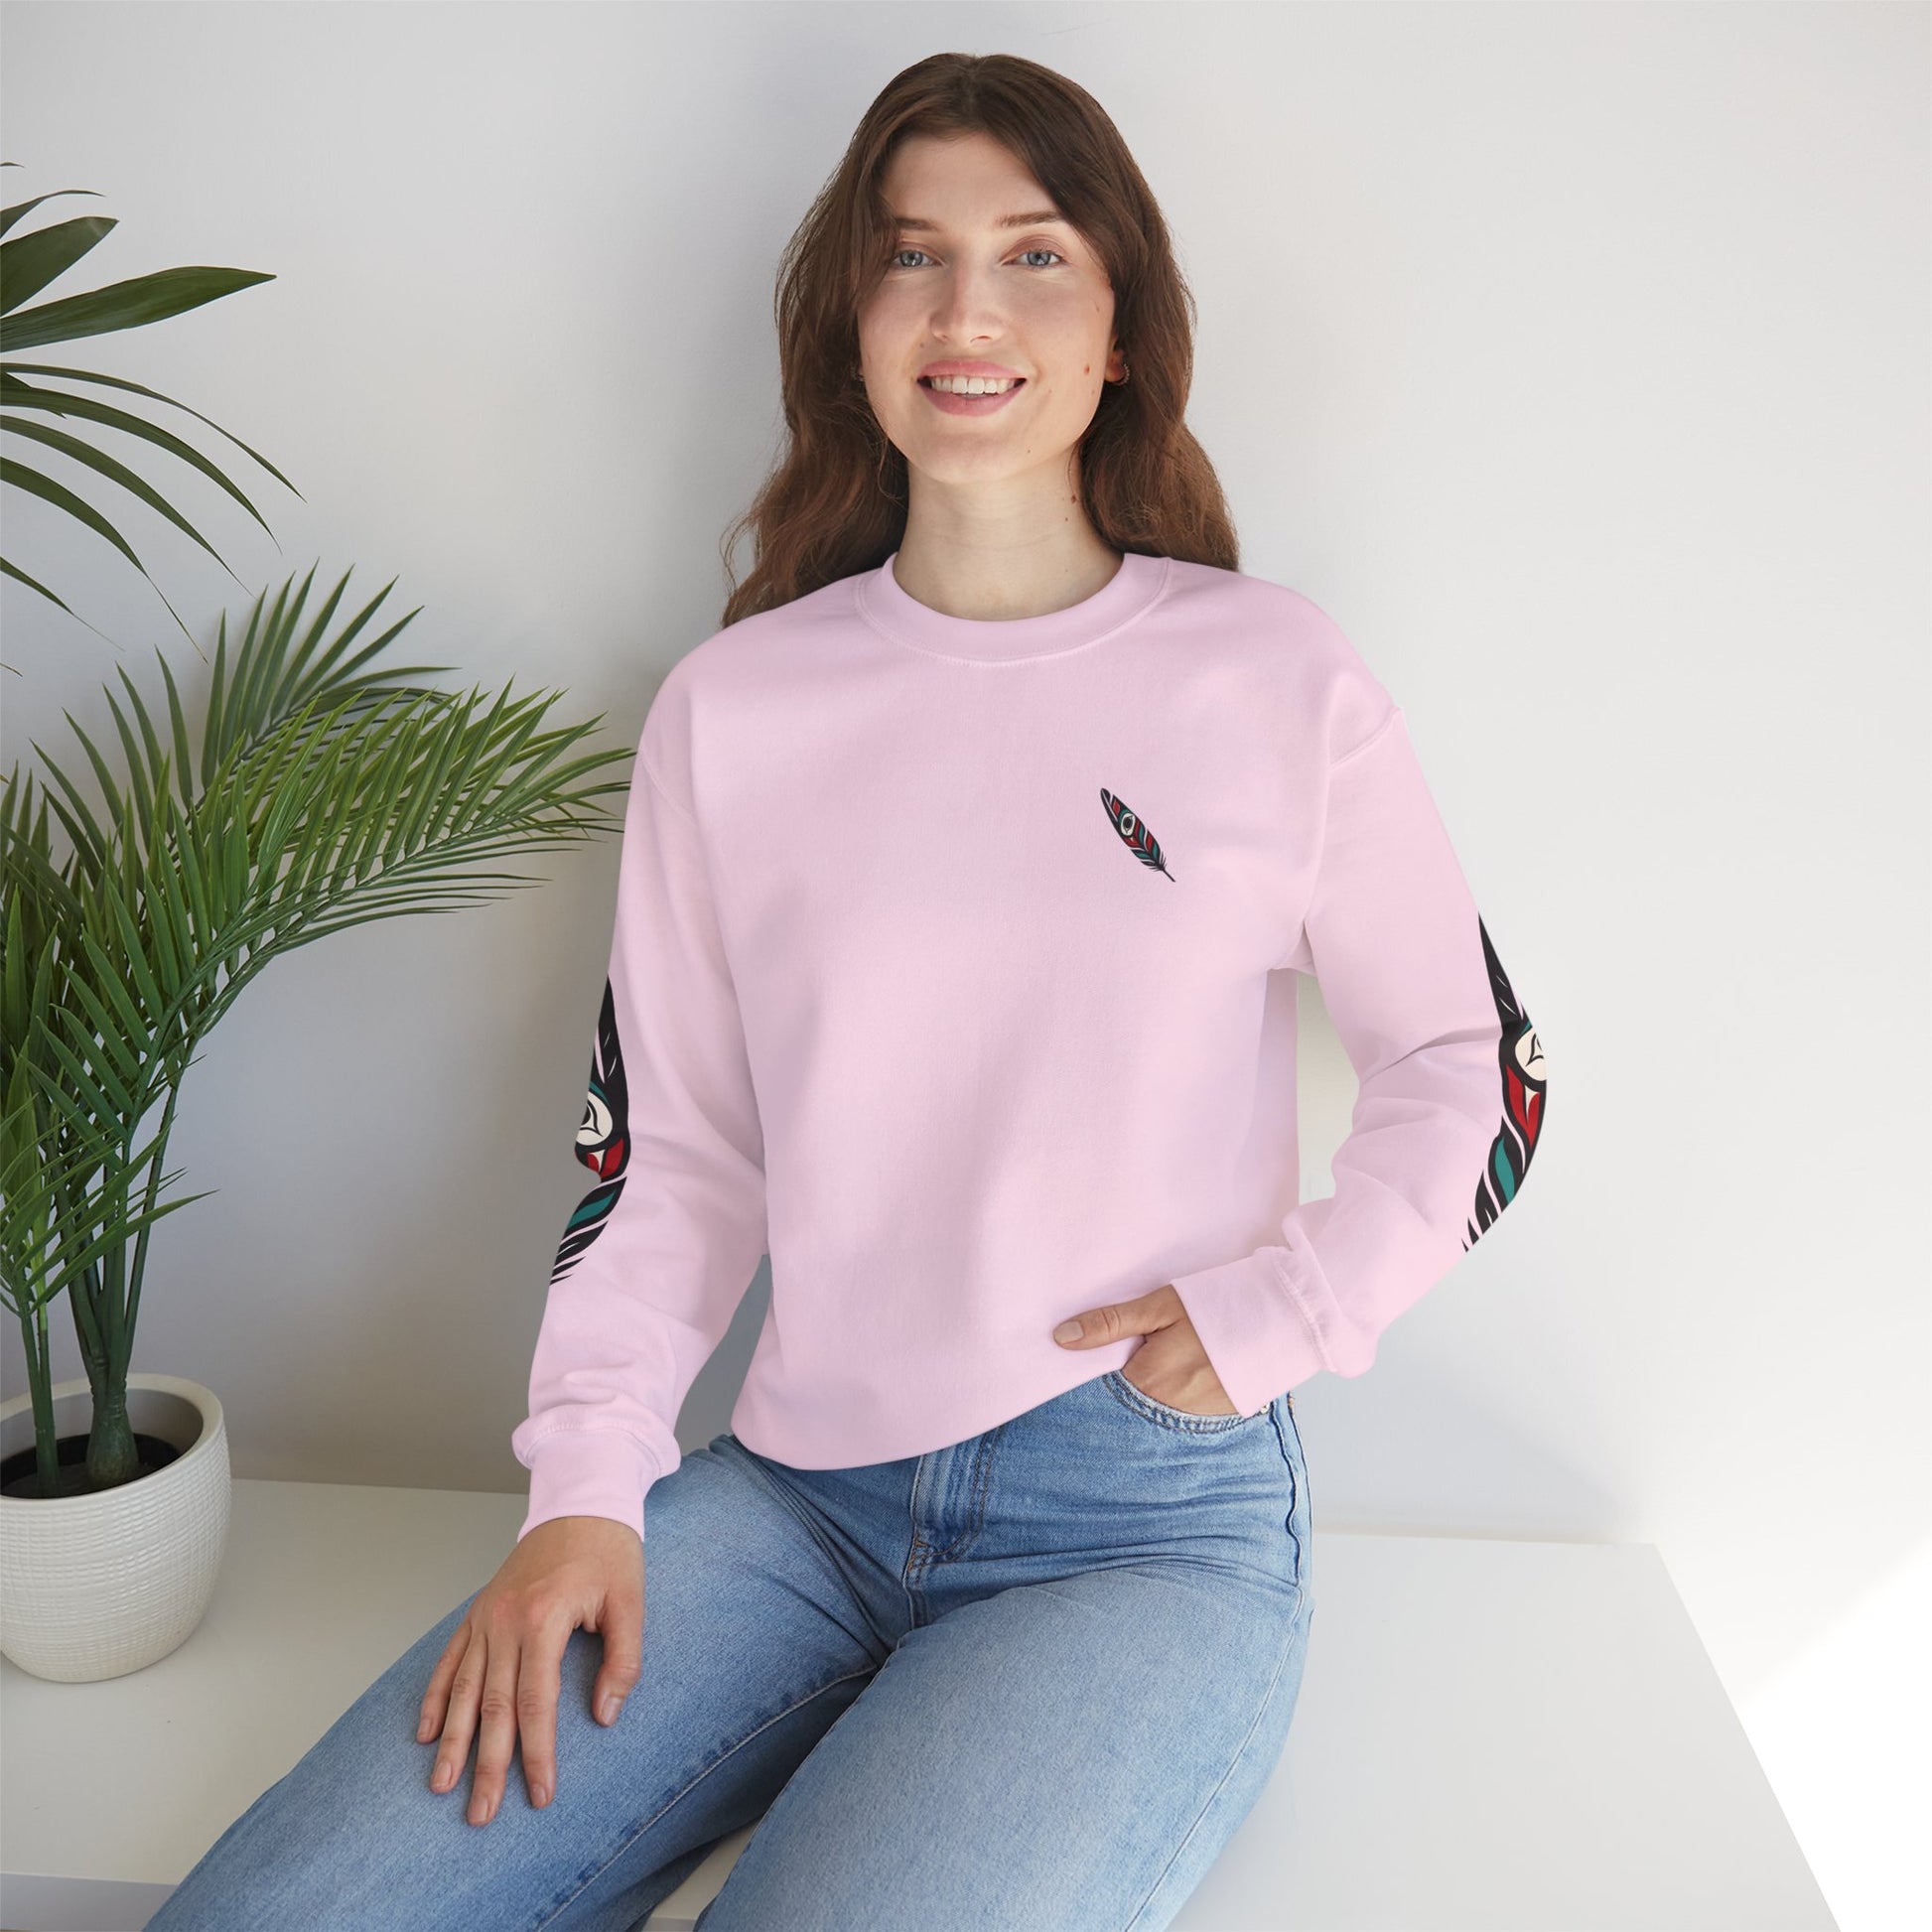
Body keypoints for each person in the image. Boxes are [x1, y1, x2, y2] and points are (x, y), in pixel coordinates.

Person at [147, 50, 1548, 1932]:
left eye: (1032, 254)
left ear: (1119, 329)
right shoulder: (736, 710)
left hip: (1137, 1525)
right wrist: (585, 1488)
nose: (966, 310)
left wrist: (1289, 1306)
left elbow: (1478, 1065)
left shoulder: (1272, 677)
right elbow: (673, 1158)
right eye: (910, 256)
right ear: (853, 322)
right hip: (792, 1498)